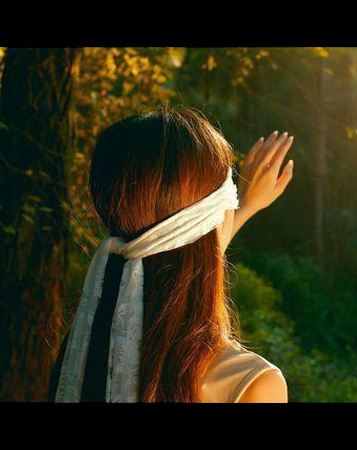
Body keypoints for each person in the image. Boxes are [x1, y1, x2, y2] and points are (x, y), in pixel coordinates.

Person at [48, 105, 294, 402]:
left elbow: (161, 253)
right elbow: (175, 253)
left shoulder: (84, 353)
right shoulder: (250, 383)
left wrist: (241, 206)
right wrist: (244, 206)